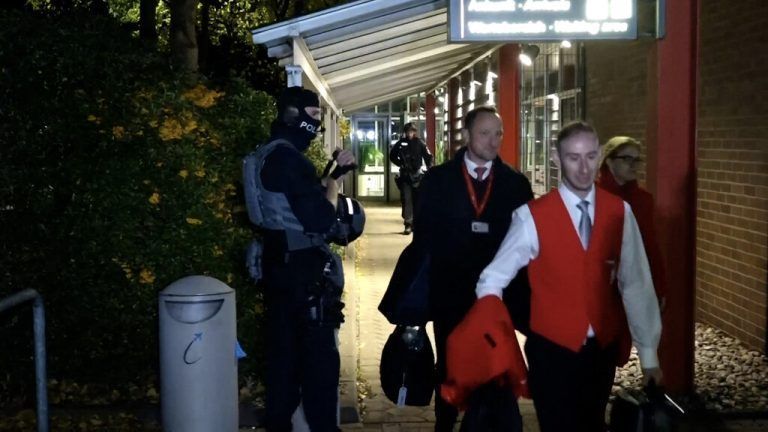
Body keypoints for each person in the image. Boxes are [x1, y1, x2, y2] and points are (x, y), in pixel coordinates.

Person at [475, 121, 663, 432]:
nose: (584, 168)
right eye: (573, 157)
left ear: (599, 155)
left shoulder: (620, 212)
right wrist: (495, 339)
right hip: (551, 349)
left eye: (590, 156)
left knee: (592, 425)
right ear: (556, 157)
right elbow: (492, 280)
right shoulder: (531, 216)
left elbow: (636, 283)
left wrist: (649, 355)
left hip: (600, 351)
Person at [413, 106, 533, 432]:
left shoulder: (515, 184)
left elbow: (526, 244)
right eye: (485, 133)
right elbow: (423, 237)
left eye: (498, 134)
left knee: (494, 363)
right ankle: (445, 422)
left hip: (497, 298)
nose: (493, 141)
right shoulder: (438, 181)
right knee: (449, 363)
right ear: (466, 135)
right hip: (450, 293)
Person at [243, 86, 356, 432]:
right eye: (315, 115)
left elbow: (292, 201)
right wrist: (334, 189)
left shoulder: (266, 154)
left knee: (283, 363)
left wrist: (332, 174)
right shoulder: (290, 159)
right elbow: (320, 218)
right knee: (319, 368)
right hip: (304, 277)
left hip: (276, 268)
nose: (318, 123)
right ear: (293, 114)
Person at [597, 136, 667, 311]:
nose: (633, 165)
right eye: (627, 159)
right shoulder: (592, 197)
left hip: (634, 282)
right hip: (600, 283)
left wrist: (659, 287)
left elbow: (649, 244)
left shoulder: (643, 200)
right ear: (609, 161)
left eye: (637, 160)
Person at [390, 122, 433, 234]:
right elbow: (392, 156)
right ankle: (408, 224)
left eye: (411, 131)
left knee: (418, 200)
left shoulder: (420, 143)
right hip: (405, 176)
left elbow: (428, 156)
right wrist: (400, 163)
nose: (409, 134)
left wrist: (430, 169)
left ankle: (416, 223)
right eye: (408, 132)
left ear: (414, 132)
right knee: (407, 199)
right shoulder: (400, 143)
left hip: (417, 175)